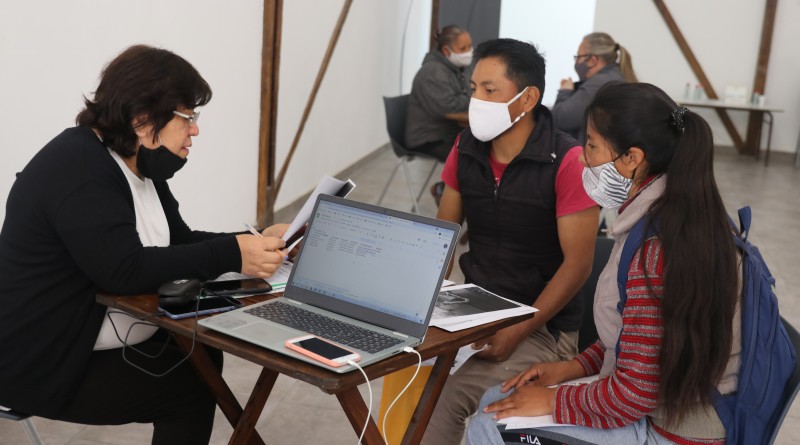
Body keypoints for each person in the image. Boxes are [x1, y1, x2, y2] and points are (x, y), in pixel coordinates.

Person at [0, 45, 288, 445]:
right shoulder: (79, 169)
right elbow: (124, 270)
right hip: (41, 359)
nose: (195, 130)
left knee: (202, 355)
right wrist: (233, 253)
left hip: (86, 338)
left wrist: (254, 241)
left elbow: (180, 241)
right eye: (188, 118)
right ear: (142, 119)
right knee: (189, 390)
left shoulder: (138, 164)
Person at [466, 82, 742, 445]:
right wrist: (575, 367)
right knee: (497, 399)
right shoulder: (679, 212)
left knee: (490, 422)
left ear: (632, 158)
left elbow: (633, 394)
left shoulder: (656, 249)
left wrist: (553, 400)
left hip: (674, 429)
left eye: (592, 145)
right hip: (664, 402)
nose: (583, 158)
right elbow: (637, 335)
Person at [421, 38, 600, 445]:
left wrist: (519, 329)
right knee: (402, 368)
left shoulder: (567, 161)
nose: (476, 101)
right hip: (475, 308)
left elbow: (578, 266)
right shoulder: (466, 146)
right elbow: (442, 236)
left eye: (490, 90)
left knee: (445, 398)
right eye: (473, 89)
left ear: (527, 99)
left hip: (542, 326)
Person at [552, 32, 637, 144]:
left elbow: (561, 119)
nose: (577, 62)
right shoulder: (615, 76)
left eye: (578, 57)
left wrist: (565, 91)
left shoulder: (598, 84)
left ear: (592, 60)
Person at [406, 25, 473, 163]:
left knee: (488, 148)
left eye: (470, 46)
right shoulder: (433, 72)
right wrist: (474, 98)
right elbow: (448, 108)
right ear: (446, 51)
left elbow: (470, 93)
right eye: (463, 49)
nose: (469, 52)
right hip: (430, 138)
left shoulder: (459, 67)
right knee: (474, 158)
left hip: (451, 131)